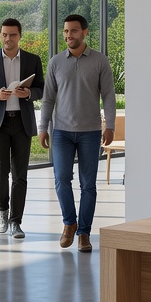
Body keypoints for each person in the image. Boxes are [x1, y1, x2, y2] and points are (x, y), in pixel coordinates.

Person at [38, 14, 115, 253]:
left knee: (88, 184)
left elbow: (109, 95)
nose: (68, 35)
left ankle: (84, 233)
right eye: (65, 31)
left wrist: (109, 125)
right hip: (61, 131)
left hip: (90, 132)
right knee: (61, 179)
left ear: (85, 32)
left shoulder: (100, 61)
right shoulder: (55, 62)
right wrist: (42, 127)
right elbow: (48, 98)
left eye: (73, 31)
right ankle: (69, 223)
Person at [0, 18, 44, 240]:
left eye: (12, 35)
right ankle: (2, 211)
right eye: (4, 34)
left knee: (20, 175)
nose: (7, 39)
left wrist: (29, 94)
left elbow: (42, 89)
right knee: (0, 172)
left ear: (20, 36)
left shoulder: (33, 60)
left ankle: (16, 222)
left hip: (22, 122)